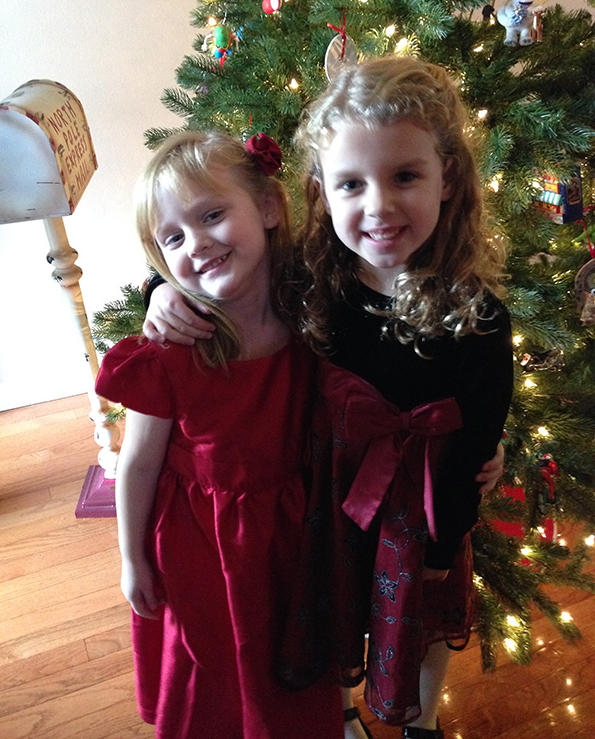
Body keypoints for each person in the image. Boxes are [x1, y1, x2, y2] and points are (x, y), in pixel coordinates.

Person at [141, 56, 513, 739]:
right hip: (329, 500)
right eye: (351, 184)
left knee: (425, 623)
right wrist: (159, 290)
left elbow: (481, 430)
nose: (379, 206)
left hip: (427, 509)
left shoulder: (478, 314)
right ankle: (340, 715)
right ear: (320, 193)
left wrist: (444, 540)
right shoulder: (314, 278)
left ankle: (422, 722)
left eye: (405, 176)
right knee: (336, 612)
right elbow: (224, 268)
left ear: (449, 179)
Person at [94, 130, 353, 739]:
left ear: (268, 207)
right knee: (211, 679)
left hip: (295, 539)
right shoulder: (173, 352)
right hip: (202, 549)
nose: (197, 243)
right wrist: (132, 559)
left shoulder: (315, 316)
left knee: (288, 666)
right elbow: (137, 464)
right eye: (173, 238)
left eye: (212, 216)